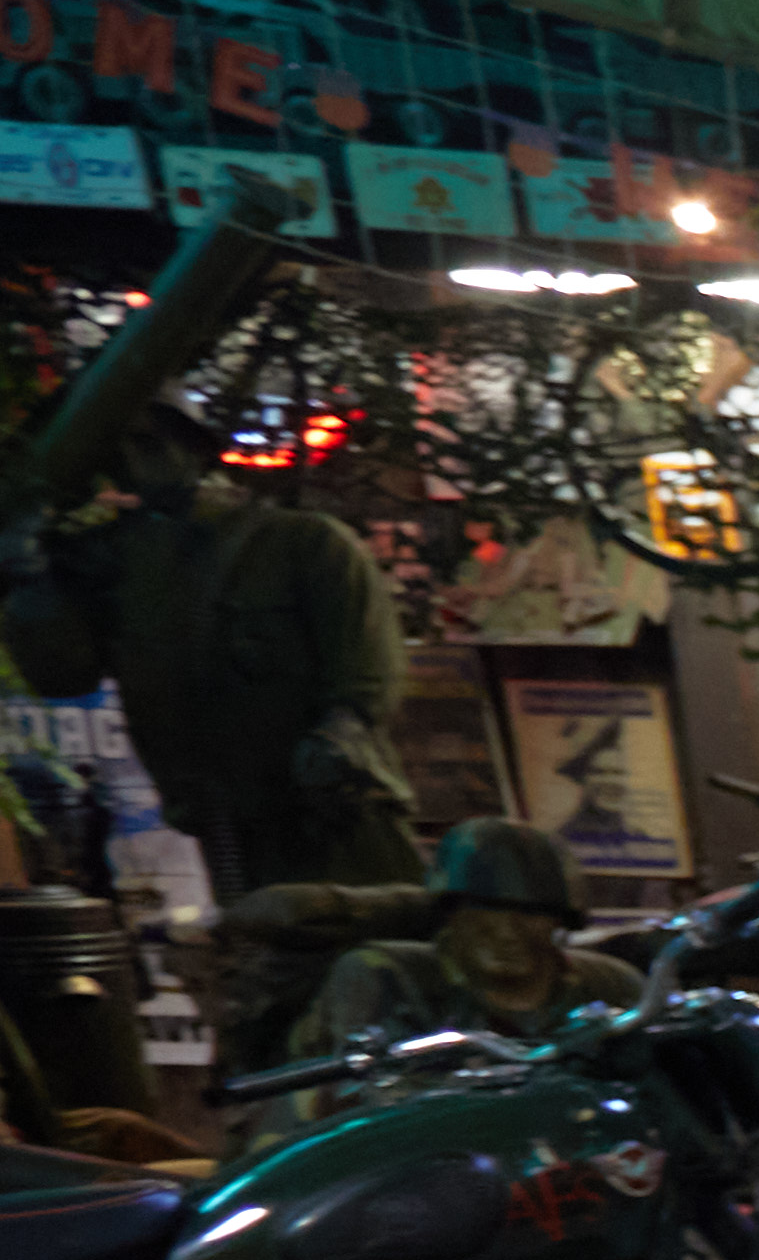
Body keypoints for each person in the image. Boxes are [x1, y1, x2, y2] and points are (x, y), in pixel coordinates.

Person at [3, 405, 419, 915]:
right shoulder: (121, 572)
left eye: (150, 444)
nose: (132, 462)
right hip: (225, 818)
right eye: (116, 451)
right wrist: (31, 575)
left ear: (196, 451)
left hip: (333, 815)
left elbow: (365, 673)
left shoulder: (303, 543)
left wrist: (339, 735)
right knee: (265, 961)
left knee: (376, 946)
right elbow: (62, 674)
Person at [240, 818, 636, 1118]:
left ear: (559, 921)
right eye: (485, 909)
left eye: (530, 913)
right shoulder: (384, 976)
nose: (507, 931)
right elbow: (384, 1111)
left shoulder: (609, 986)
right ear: (449, 913)